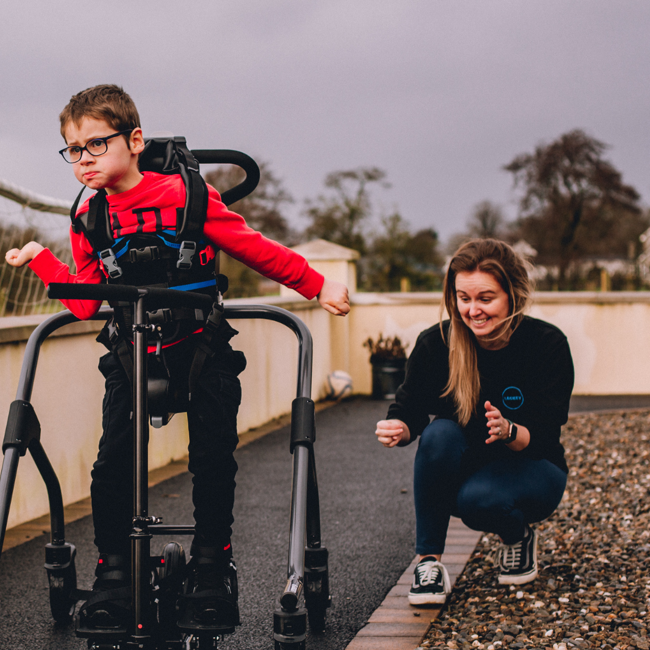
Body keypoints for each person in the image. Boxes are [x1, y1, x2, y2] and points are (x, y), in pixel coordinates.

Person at [5, 84, 350, 632]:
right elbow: (85, 302)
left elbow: (253, 245)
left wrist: (315, 284)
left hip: (201, 347)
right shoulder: (89, 217)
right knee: (111, 463)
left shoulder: (188, 196)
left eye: (96, 144)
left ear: (135, 140)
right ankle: (115, 570)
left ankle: (212, 563)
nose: (84, 159)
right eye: (73, 149)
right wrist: (45, 262)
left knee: (213, 457)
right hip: (129, 351)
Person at [375, 239, 573, 605]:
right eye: (463, 298)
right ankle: (428, 564)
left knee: (477, 501)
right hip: (469, 462)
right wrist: (400, 428)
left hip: (533, 466)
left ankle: (518, 536)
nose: (473, 310)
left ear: (512, 295)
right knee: (437, 434)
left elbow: (546, 435)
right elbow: (409, 407)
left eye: (485, 298)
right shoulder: (436, 344)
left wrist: (509, 430)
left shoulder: (546, 344)